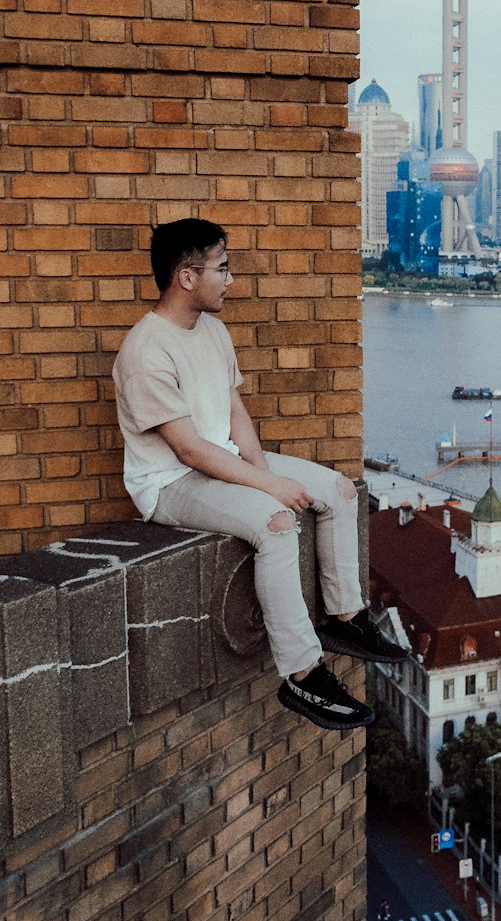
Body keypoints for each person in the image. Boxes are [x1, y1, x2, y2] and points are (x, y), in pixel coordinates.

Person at [112, 218, 406, 731]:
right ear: (186, 276)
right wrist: (268, 487)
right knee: (276, 522)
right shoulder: (145, 351)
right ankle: (303, 674)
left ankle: (345, 618)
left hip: (218, 458)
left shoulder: (213, 331)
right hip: (168, 485)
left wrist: (261, 468)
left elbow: (234, 412)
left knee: (338, 491)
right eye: (221, 268)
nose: (229, 279)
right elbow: (186, 450)